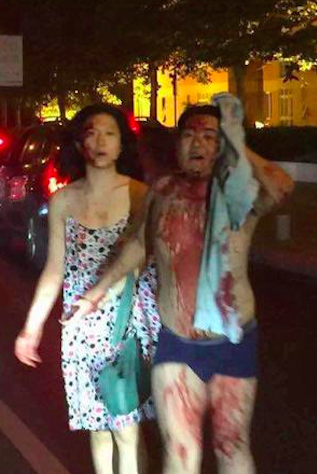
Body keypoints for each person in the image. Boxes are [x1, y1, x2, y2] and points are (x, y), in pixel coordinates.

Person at [72, 96, 294, 474]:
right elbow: (138, 245)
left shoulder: (240, 194)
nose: (198, 143)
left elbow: (282, 186)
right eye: (189, 135)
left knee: (231, 444)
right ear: (177, 144)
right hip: (176, 342)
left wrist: (236, 141)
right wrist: (96, 293)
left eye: (209, 136)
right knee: (179, 450)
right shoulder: (162, 191)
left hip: (233, 341)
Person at [14, 104, 160, 474]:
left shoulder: (140, 195)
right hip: (80, 327)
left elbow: (141, 257)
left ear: (122, 144)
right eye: (91, 134)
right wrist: (31, 328)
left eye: (109, 134)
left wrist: (104, 295)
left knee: (127, 429)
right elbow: (54, 269)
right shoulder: (64, 200)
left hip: (126, 322)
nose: (100, 142)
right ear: (79, 144)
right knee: (98, 428)